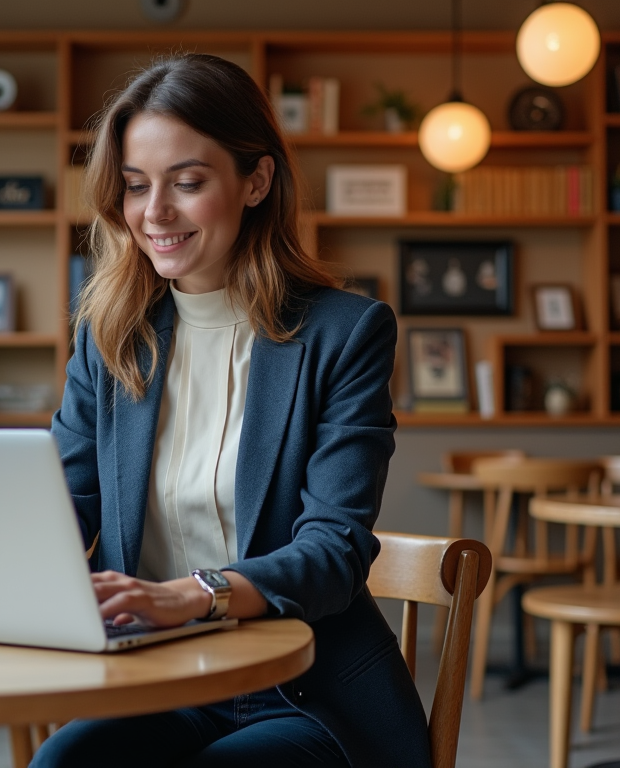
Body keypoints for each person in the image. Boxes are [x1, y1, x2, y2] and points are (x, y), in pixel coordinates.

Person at [37, 53, 430, 768]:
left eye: (187, 183)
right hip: (156, 684)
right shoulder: (109, 339)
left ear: (256, 181)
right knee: (63, 762)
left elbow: (334, 550)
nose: (154, 212)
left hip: (306, 691)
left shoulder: (344, 334)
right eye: (134, 186)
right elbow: (61, 509)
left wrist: (194, 595)